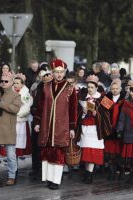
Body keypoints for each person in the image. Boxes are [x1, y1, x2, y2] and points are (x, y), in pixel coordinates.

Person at [34, 59, 77, 190]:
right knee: (47, 152)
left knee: (58, 152)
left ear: (65, 72)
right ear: (52, 72)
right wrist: (37, 122)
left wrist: (72, 127)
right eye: (56, 72)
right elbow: (39, 106)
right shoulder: (45, 86)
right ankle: (48, 178)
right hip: (47, 125)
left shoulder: (70, 88)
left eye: (61, 72)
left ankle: (56, 180)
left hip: (61, 126)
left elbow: (73, 109)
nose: (59, 74)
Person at [77, 75, 105, 184]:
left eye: (92, 87)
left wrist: (97, 113)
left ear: (96, 88)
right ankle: (87, 173)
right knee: (86, 150)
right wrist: (83, 112)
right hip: (85, 127)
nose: (90, 89)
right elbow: (78, 112)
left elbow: (108, 112)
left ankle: (89, 174)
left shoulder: (102, 98)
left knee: (93, 151)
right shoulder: (83, 97)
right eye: (88, 87)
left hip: (95, 129)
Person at [105, 80, 125, 180]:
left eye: (116, 88)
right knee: (109, 152)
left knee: (119, 151)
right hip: (109, 129)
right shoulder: (107, 98)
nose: (114, 90)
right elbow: (103, 113)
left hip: (120, 129)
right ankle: (111, 172)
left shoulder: (124, 99)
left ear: (120, 89)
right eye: (113, 89)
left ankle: (120, 170)